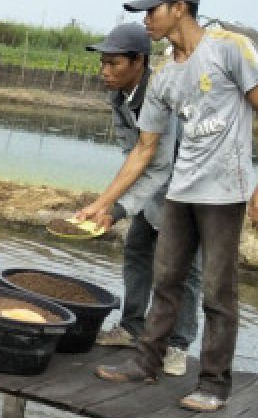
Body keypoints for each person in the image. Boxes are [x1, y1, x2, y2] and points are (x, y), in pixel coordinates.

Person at [77, 0, 258, 412]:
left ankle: (213, 383)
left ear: (180, 8)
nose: (146, 19)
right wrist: (101, 204)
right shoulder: (165, 76)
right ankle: (146, 363)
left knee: (216, 292)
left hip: (226, 191)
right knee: (166, 280)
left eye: (152, 10)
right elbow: (144, 150)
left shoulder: (229, 48)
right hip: (180, 192)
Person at [86, 22, 200, 377]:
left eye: (113, 64)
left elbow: (161, 165)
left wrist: (116, 206)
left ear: (139, 62)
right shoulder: (117, 95)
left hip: (190, 185)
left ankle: (178, 346)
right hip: (154, 186)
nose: (105, 72)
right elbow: (133, 151)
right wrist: (113, 200)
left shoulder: (161, 95)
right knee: (138, 249)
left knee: (184, 269)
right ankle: (132, 327)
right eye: (102, 63)